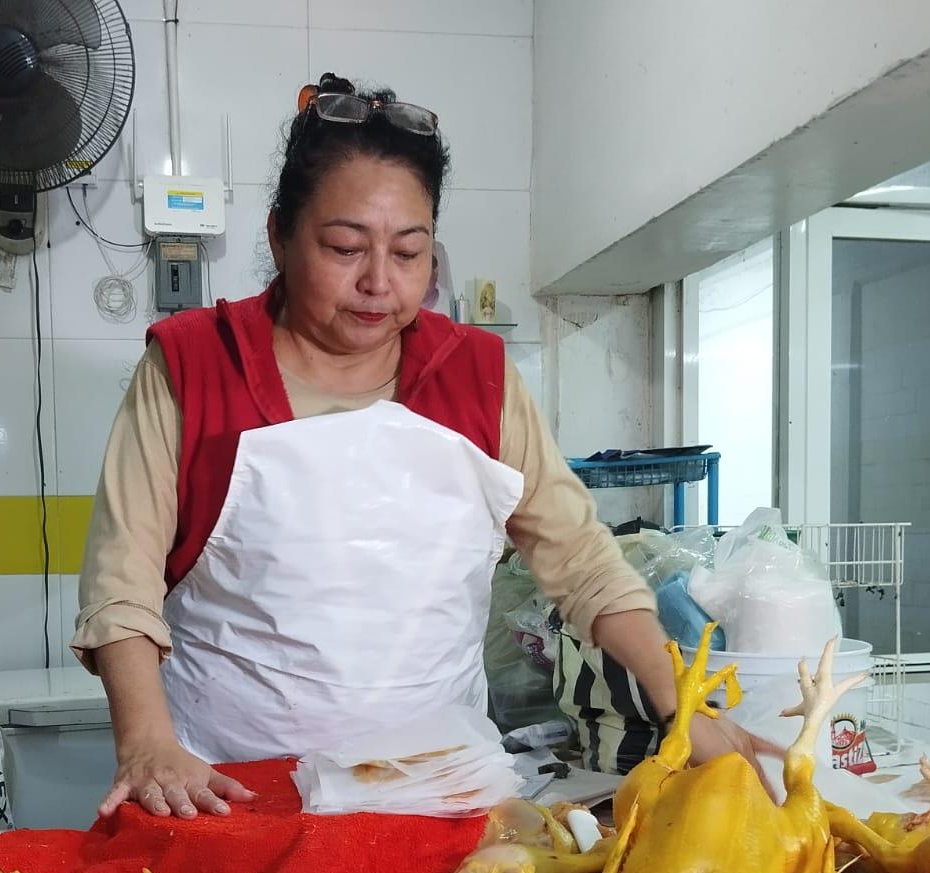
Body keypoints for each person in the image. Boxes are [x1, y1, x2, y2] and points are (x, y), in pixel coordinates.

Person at [74, 73, 773, 820]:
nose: (379, 282)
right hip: (229, 791)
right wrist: (146, 742)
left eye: (409, 254)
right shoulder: (193, 367)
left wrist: (683, 706)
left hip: (438, 795)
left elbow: (584, 565)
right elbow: (122, 584)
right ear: (280, 234)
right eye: (345, 247)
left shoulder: (476, 377)